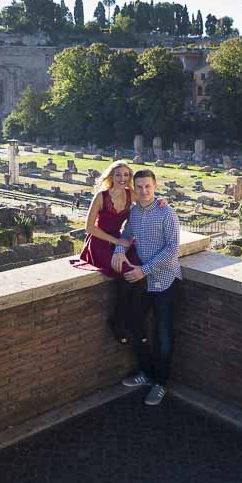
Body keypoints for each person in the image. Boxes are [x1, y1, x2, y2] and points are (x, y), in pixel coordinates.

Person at [112, 169, 182, 406]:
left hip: (165, 281)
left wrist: (145, 269)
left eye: (148, 187)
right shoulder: (134, 212)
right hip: (143, 283)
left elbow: (173, 249)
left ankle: (160, 383)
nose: (143, 191)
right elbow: (127, 235)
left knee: (163, 336)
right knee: (134, 326)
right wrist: (119, 250)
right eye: (139, 187)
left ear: (155, 186)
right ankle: (147, 372)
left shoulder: (167, 212)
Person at [70, 161, 160, 344]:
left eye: (126, 175)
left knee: (139, 268)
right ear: (111, 176)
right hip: (99, 242)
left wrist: (161, 202)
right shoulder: (101, 197)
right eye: (118, 174)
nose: (123, 178)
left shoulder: (131, 194)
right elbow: (89, 228)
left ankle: (133, 319)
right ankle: (119, 321)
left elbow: (148, 200)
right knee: (126, 271)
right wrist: (116, 241)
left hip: (120, 240)